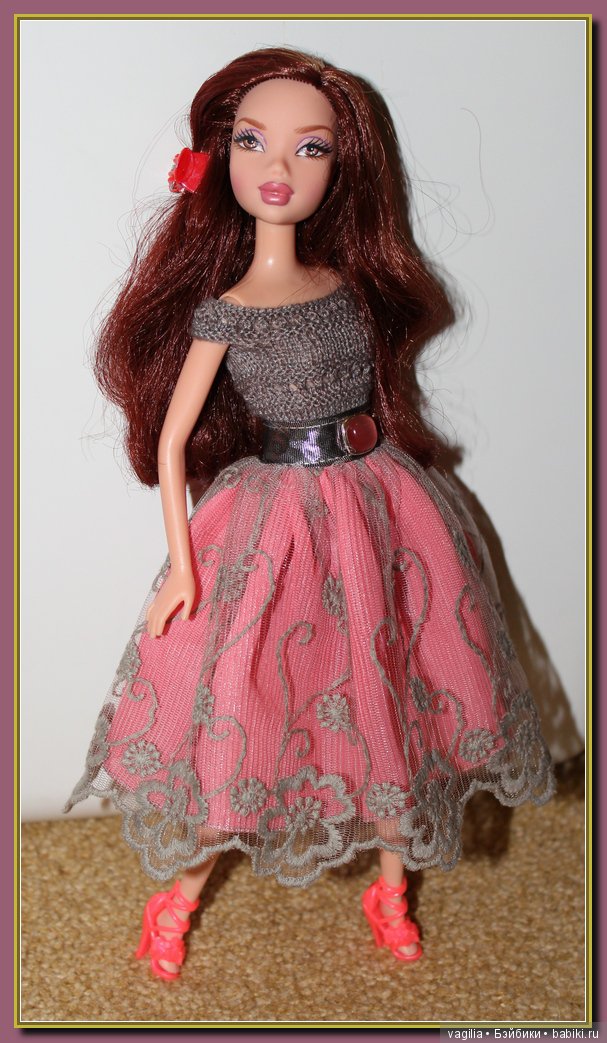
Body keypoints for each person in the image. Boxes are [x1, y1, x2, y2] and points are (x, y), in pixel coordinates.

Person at [64, 47, 555, 980]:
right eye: (254, 143)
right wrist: (182, 564)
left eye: (311, 148)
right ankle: (179, 896)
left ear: (341, 167)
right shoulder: (227, 311)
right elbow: (171, 444)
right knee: (243, 716)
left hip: (376, 506)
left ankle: (391, 887)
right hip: (274, 523)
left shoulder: (344, 286)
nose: (280, 168)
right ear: (218, 159)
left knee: (389, 699)